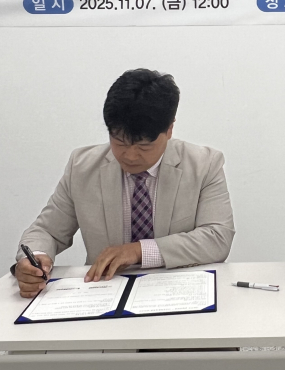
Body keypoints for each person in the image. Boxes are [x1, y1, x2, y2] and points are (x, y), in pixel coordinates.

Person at [13, 69, 235, 298]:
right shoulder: (82, 167)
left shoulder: (204, 165)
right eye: (119, 143)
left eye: (144, 146)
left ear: (169, 128)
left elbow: (218, 237)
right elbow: (47, 231)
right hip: (103, 294)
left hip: (179, 291)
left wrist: (139, 251)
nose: (130, 156)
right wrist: (35, 259)